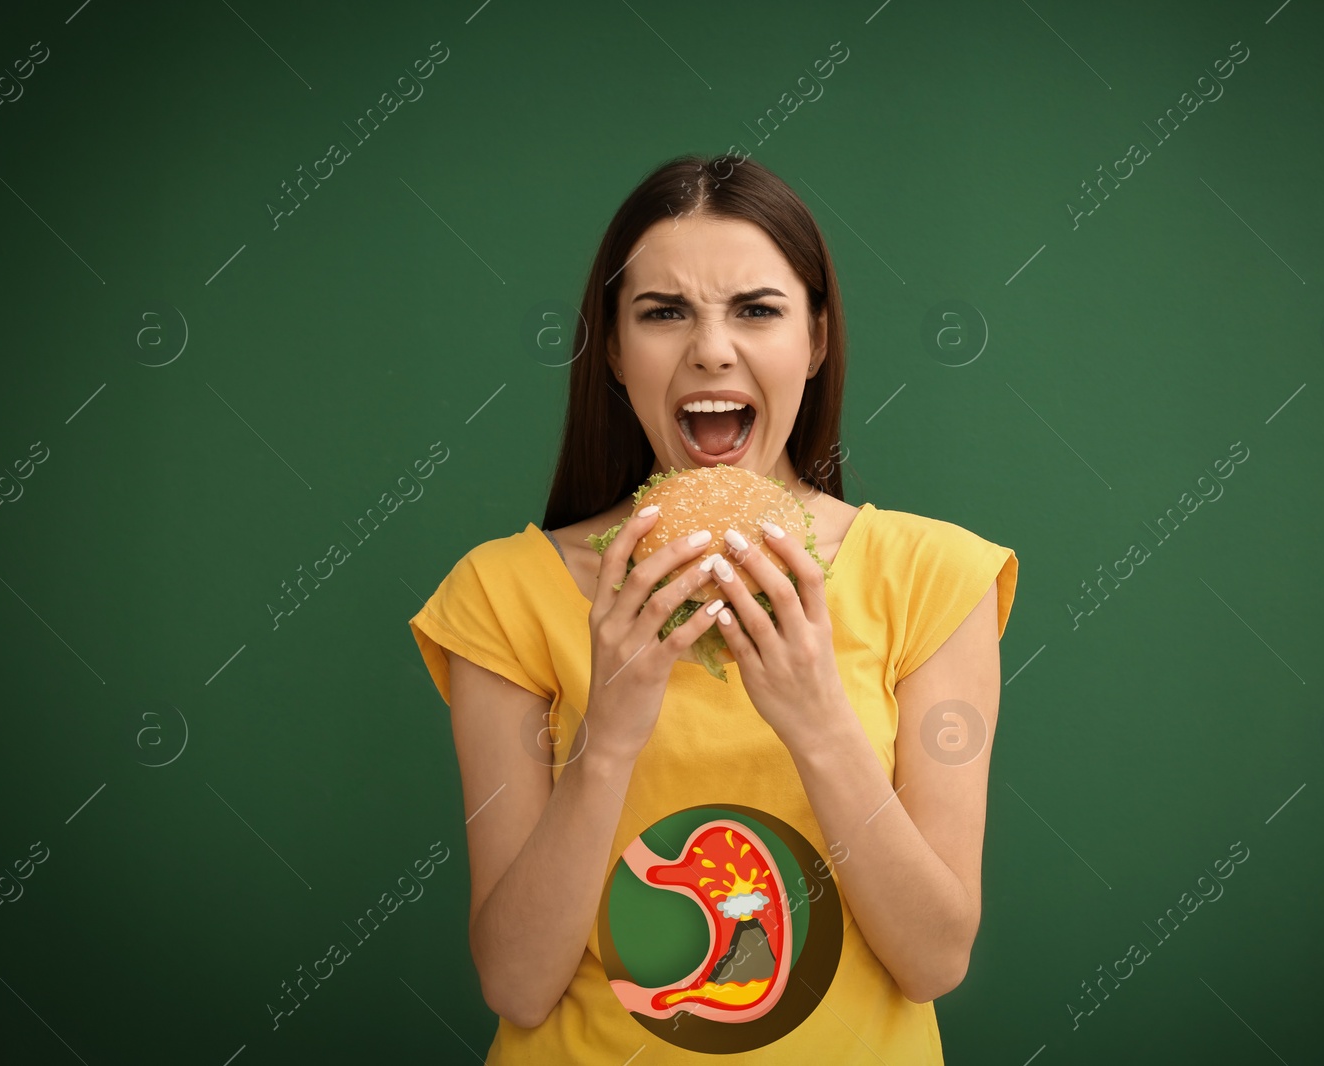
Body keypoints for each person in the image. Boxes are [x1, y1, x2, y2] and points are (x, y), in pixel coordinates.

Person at [408, 153, 1017, 1063]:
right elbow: (516, 983)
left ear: (816, 341)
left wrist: (817, 721)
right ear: (613, 351)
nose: (711, 349)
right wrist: (607, 737)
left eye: (757, 310)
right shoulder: (503, 595)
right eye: (663, 314)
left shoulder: (934, 577)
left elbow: (933, 960)